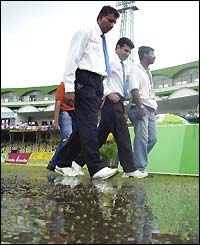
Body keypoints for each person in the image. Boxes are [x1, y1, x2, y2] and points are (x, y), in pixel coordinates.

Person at [53, 5, 120, 180]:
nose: (112, 25)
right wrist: (69, 87)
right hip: (83, 81)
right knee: (90, 126)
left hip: (97, 84)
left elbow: (101, 68)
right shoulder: (86, 31)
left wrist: (103, 92)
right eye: (110, 20)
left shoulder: (103, 39)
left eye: (114, 22)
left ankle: (61, 162)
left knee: (84, 128)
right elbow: (72, 58)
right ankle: (95, 167)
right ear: (100, 17)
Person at [97, 37, 148, 178]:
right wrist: (108, 93)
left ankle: (77, 160)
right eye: (125, 50)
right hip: (112, 101)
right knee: (123, 135)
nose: (127, 54)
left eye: (129, 52)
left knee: (100, 136)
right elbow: (101, 77)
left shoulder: (121, 65)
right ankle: (129, 169)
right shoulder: (112, 61)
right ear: (117, 48)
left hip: (117, 102)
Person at [128, 46, 158, 173]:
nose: (154, 56)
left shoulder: (148, 72)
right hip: (141, 107)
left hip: (150, 108)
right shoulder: (135, 69)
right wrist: (140, 107)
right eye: (152, 53)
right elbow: (134, 89)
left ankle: (133, 162)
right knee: (141, 138)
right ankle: (139, 168)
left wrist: (154, 104)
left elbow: (149, 92)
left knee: (153, 138)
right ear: (145, 55)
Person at [46, 81, 84, 176]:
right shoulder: (63, 85)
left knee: (76, 139)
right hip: (65, 111)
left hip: (76, 113)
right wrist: (56, 120)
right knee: (66, 138)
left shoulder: (80, 85)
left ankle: (68, 163)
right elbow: (58, 103)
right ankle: (53, 163)